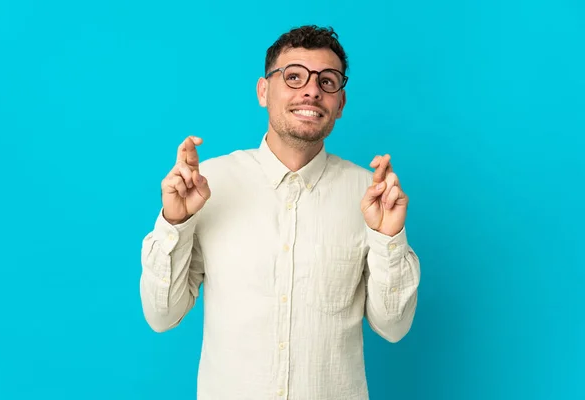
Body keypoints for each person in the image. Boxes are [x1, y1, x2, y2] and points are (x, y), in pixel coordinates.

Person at [140, 25, 420, 400]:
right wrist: (175, 222)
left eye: (327, 81)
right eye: (293, 77)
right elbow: (162, 316)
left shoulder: (368, 195)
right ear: (262, 91)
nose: (311, 90)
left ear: (340, 103)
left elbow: (394, 327)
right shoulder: (209, 186)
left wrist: (388, 238)